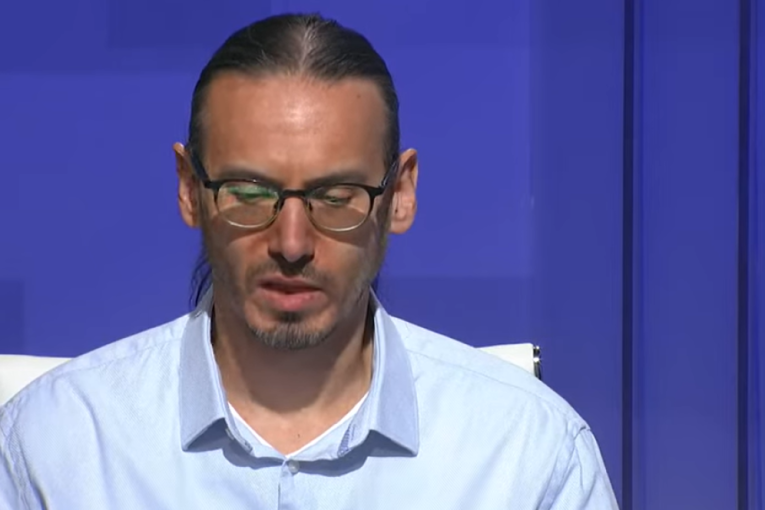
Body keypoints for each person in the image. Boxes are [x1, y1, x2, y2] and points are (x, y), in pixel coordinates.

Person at [0, 13, 618, 509]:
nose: (292, 244)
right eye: (248, 192)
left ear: (400, 195)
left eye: (336, 196)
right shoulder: (56, 447)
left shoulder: (528, 454)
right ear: (189, 188)